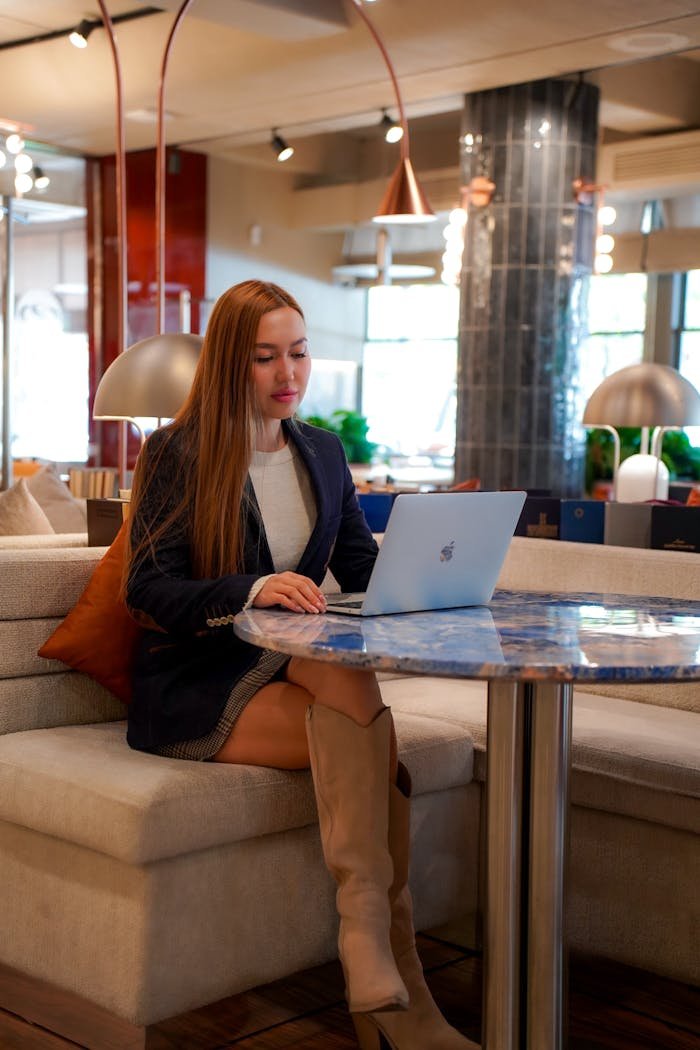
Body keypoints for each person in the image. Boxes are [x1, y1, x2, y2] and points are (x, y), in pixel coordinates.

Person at [125, 279, 475, 1050]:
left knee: (350, 683)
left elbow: (357, 564)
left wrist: (433, 577)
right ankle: (398, 992)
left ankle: (373, 957)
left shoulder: (321, 450)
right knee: (373, 743)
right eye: (265, 358)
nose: (289, 374)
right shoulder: (177, 453)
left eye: (300, 352)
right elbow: (146, 588)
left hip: (291, 668)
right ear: (228, 364)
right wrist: (253, 587)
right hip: (199, 679)